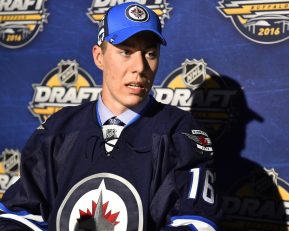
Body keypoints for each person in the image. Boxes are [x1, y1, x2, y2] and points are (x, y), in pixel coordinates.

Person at [0, 2, 219, 231]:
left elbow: (196, 224)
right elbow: (16, 216)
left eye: (150, 53)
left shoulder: (180, 133)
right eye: (125, 51)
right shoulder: (59, 130)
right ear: (99, 57)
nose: (140, 66)